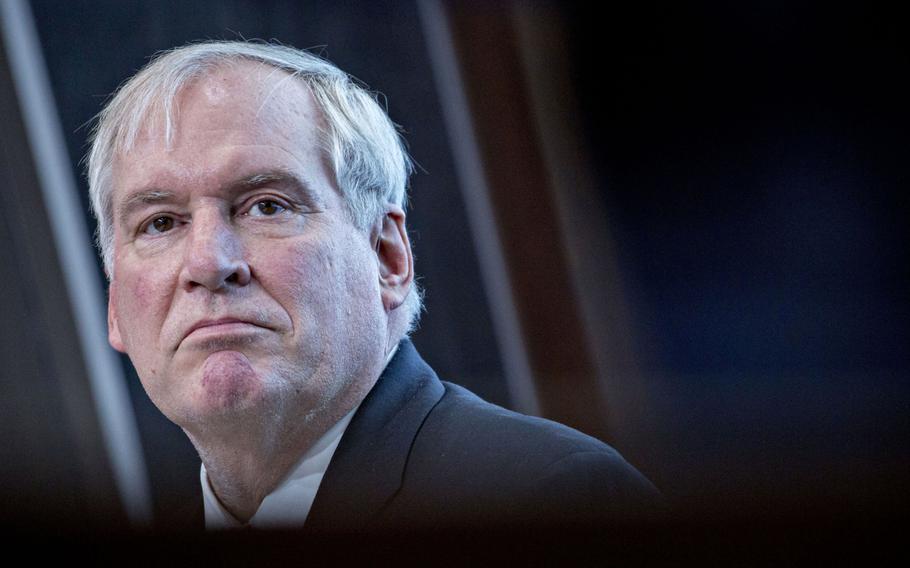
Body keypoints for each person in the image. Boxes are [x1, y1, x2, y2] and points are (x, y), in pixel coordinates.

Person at [88, 40, 659, 531]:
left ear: (387, 256)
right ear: (115, 307)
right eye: (159, 222)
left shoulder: (545, 504)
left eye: (266, 206)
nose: (209, 263)